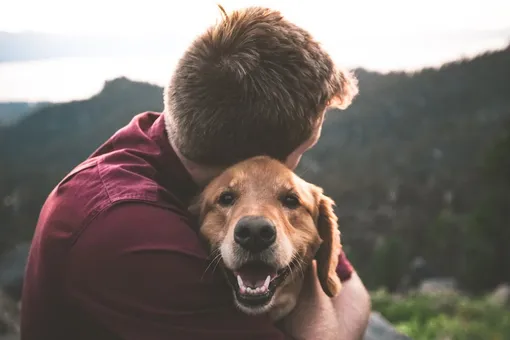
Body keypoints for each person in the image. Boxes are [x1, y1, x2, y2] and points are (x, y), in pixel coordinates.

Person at [20, 6, 371, 340]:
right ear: (258, 160)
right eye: (304, 149)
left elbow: (352, 290)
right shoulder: (129, 233)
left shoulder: (171, 142)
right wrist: (315, 302)